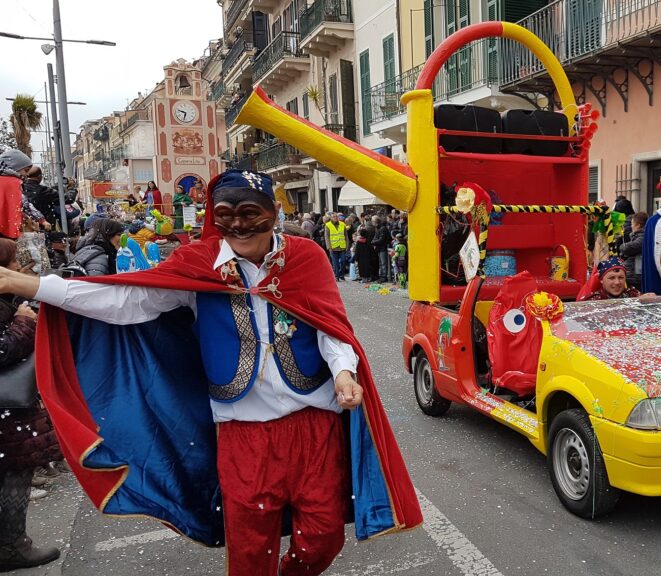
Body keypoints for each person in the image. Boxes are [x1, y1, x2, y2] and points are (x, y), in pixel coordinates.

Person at [0, 170, 421, 575]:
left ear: (273, 211)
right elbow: (126, 300)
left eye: (250, 213)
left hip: (313, 421)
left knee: (323, 535)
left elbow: (331, 326)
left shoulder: (306, 257)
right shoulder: (198, 263)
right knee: (250, 542)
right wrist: (32, 287)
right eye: (226, 215)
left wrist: (344, 372)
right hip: (242, 430)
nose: (239, 225)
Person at [0, 239, 62, 571]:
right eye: (13, 263)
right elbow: (2, 348)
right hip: (5, 409)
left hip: (8, 409)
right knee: (14, 471)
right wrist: (23, 321)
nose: (18, 269)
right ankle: (12, 545)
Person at [0, 150, 35, 240]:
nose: (27, 174)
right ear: (14, 168)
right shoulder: (13, 182)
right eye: (26, 170)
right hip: (5, 235)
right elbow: (19, 208)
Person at [619, 212, 647, 289]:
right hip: (633, 274)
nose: (631, 226)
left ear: (638, 225)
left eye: (632, 224)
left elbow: (629, 248)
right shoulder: (638, 236)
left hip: (636, 275)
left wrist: (622, 247)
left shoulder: (643, 236)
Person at [324, 213, 348, 281]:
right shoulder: (328, 225)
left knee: (343, 261)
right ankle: (337, 276)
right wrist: (329, 247)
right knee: (335, 263)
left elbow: (346, 235)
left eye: (336, 216)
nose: (335, 218)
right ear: (331, 218)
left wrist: (347, 245)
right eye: (334, 217)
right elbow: (327, 237)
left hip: (342, 246)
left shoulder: (342, 224)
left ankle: (341, 274)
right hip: (333, 247)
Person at [371, 215, 392, 282]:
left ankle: (384, 277)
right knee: (381, 263)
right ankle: (382, 276)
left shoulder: (383, 228)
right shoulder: (378, 228)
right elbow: (376, 238)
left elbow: (381, 240)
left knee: (383, 263)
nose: (372, 223)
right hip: (379, 248)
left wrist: (373, 242)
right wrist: (373, 242)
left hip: (383, 248)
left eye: (372, 221)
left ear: (375, 221)